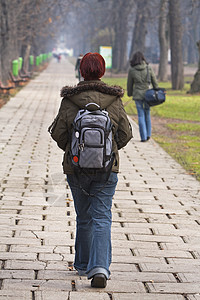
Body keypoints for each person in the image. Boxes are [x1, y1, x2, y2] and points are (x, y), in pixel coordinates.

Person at [49, 52, 132, 288]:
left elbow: (58, 134)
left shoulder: (70, 99)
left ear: (81, 71)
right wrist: (108, 150)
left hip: (76, 168)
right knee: (102, 216)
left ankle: (83, 264)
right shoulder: (113, 99)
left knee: (84, 216)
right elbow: (125, 134)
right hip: (107, 169)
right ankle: (100, 269)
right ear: (102, 71)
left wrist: (75, 150)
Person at [127, 51, 158, 142]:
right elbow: (154, 80)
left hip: (137, 95)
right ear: (143, 58)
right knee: (147, 113)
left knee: (140, 115)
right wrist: (156, 89)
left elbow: (130, 84)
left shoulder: (132, 70)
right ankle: (148, 134)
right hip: (148, 94)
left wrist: (130, 93)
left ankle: (143, 137)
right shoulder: (148, 68)